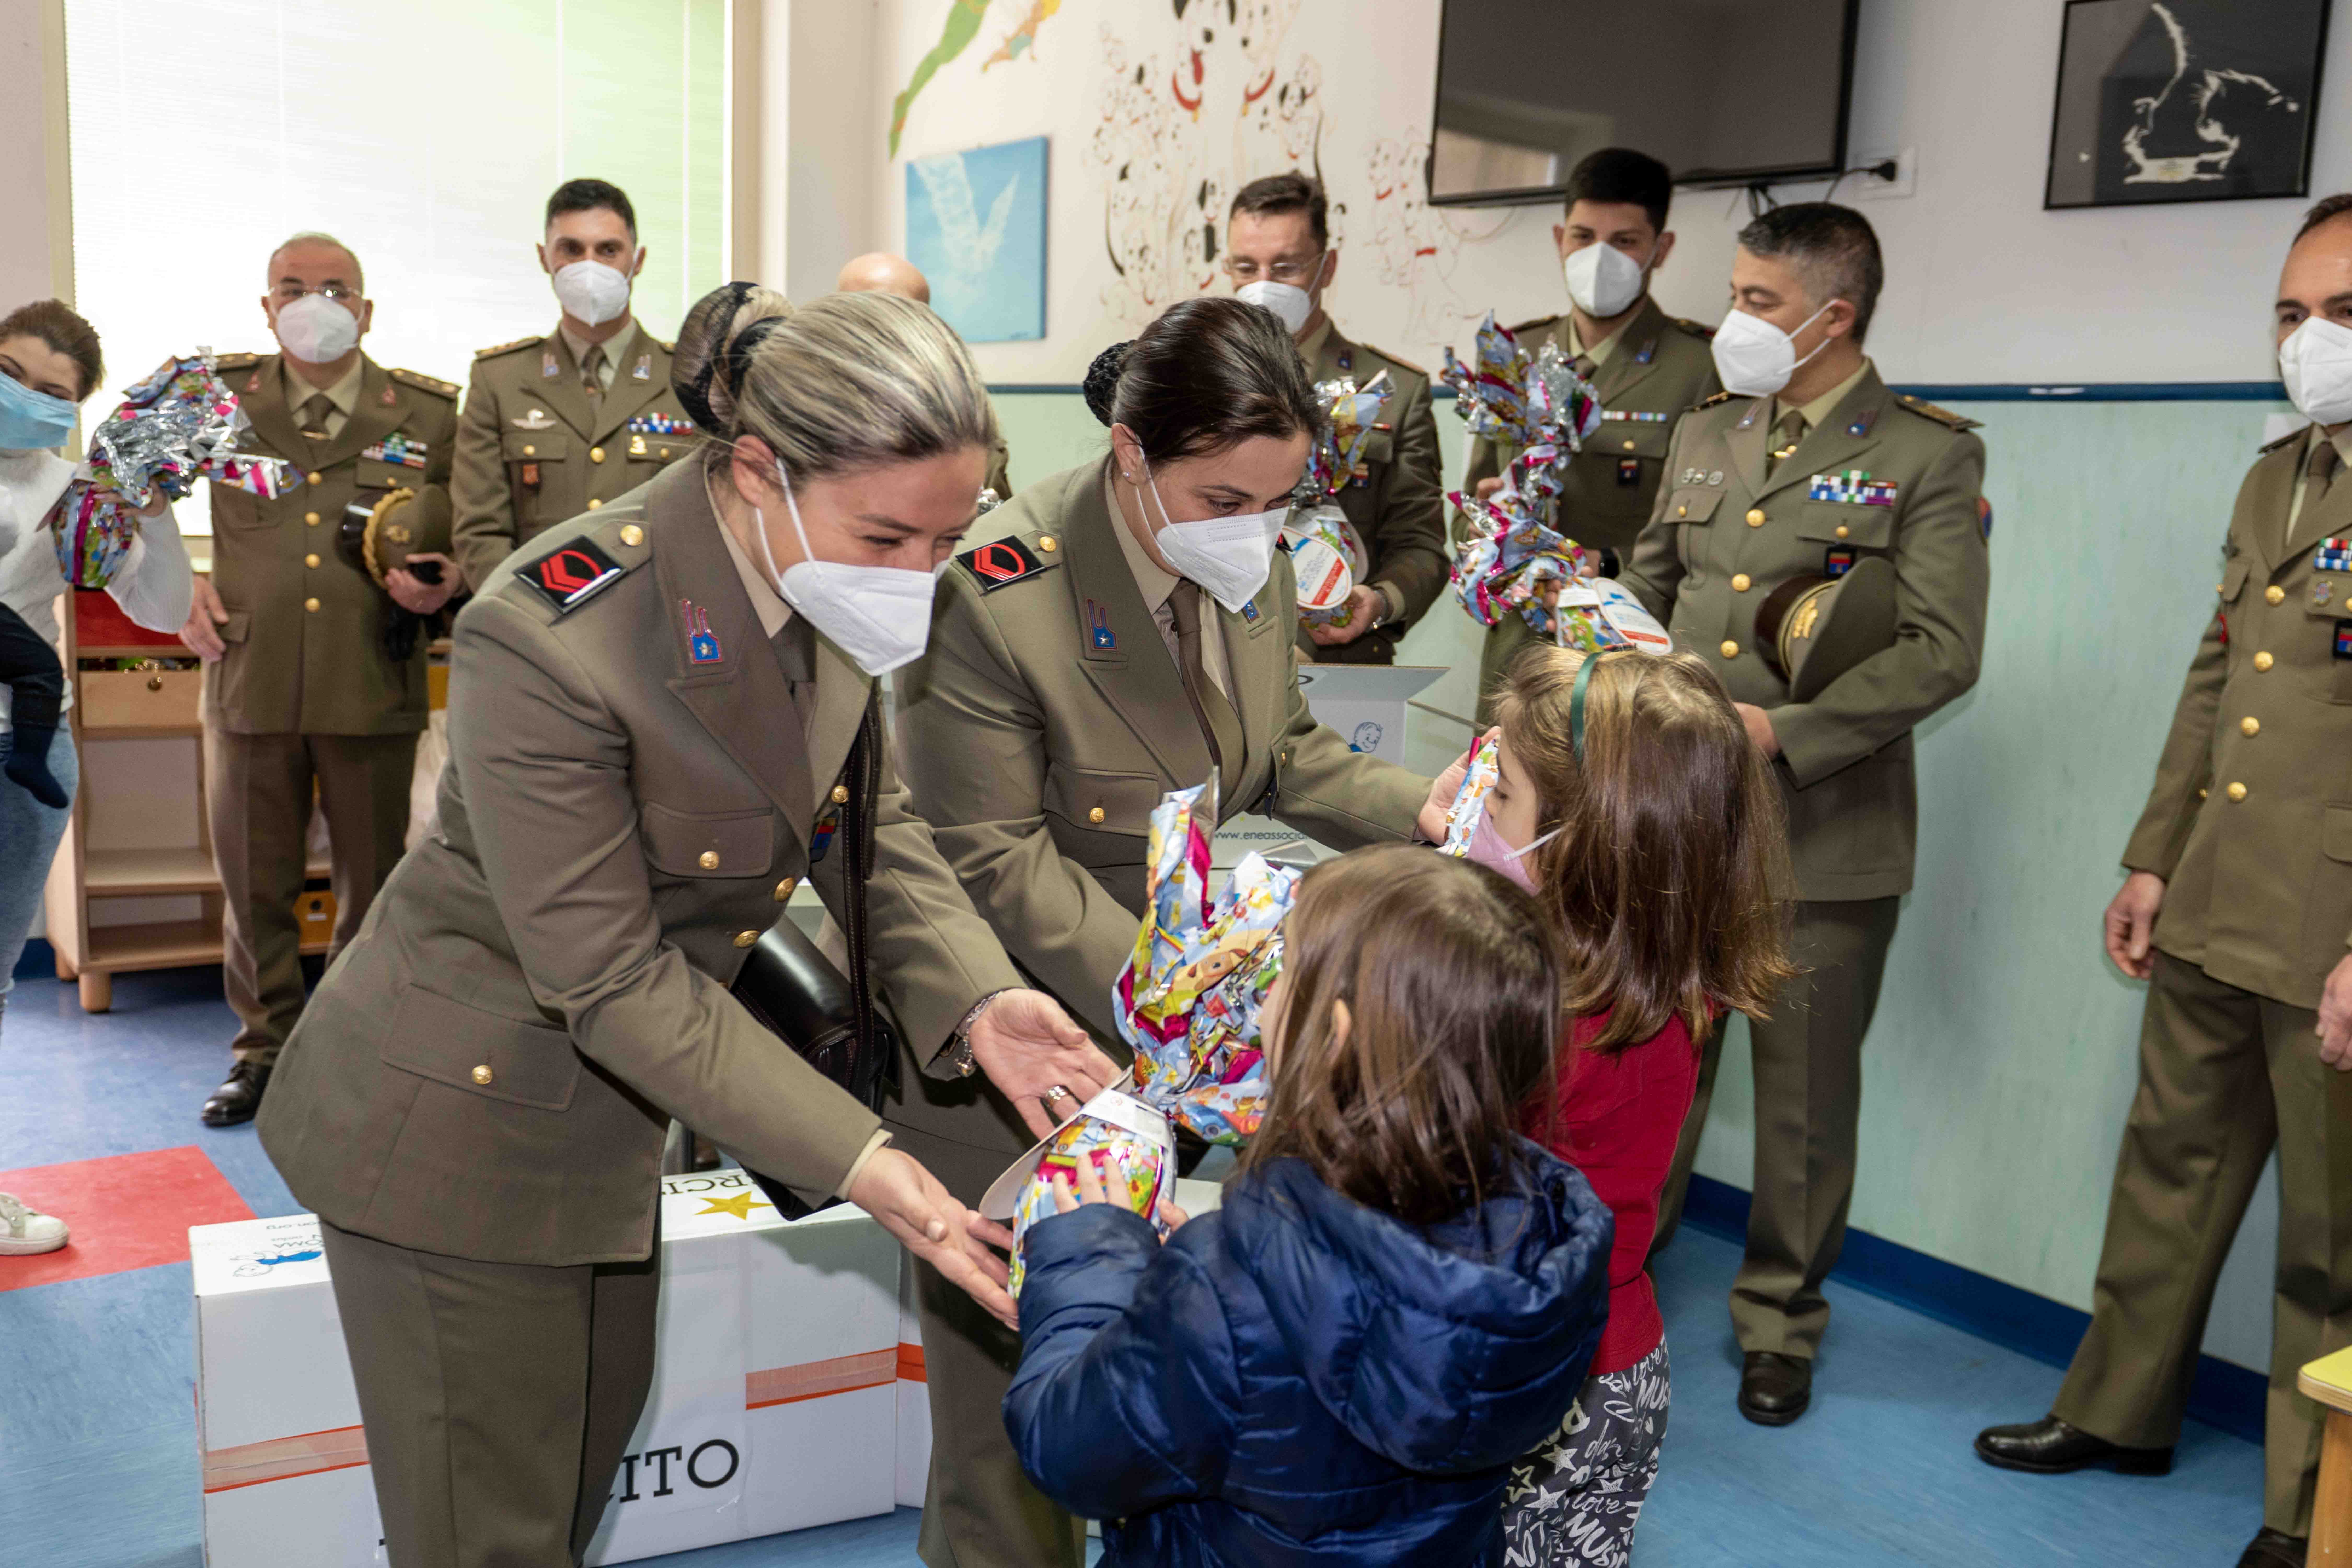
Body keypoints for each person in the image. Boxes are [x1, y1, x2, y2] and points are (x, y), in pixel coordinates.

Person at [254, 284, 1116, 1568]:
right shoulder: (551, 633)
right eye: (888, 538)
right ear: (761, 469)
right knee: (487, 1536)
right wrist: (875, 1165)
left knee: (574, 1485)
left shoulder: (819, 582)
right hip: (455, 1125)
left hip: (605, 1124)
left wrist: (985, 1000)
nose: (919, 582)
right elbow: (606, 976)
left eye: (948, 541)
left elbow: (867, 834)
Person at [893, 295, 1456, 1568]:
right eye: (1223, 500)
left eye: (1280, 501)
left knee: (1167, 1410)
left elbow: (1284, 755)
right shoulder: (998, 590)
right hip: (1017, 1053)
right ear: (1131, 453)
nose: (1255, 532)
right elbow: (989, 855)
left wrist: (1418, 805)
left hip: (1183, 1048)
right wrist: (1195, 986)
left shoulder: (1241, 553)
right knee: (1018, 1442)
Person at [1974, 195, 2352, 1568]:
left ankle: (2315, 1509)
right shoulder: (2281, 473)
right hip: (2214, 899)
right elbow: (2220, 684)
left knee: (2332, 1240)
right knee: (2166, 1177)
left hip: (2333, 930)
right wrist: (2149, 856)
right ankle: (2118, 1410)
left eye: (2343, 314)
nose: (2309, 341)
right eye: (2291, 315)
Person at [1623, 201, 1990, 1425]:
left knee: (1796, 1101)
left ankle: (1778, 1322)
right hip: (1676, 820)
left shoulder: (1927, 453)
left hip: (1820, 832)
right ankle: (1611, 1284)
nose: (1732, 321)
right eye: (1730, 293)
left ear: (1832, 316)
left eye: (1758, 302)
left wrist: (1781, 730)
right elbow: (1650, 588)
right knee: (1645, 1068)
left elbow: (1941, 651)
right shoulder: (1705, 432)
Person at [1006, 844, 1614, 1566]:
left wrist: (1092, 1260)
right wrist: (1234, 1263)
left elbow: (1067, 1451)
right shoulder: (1543, 1239)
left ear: (1336, 1035)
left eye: (1283, 971)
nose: (1260, 998)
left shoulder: (1226, 1290)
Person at [1458, 647, 1793, 1564]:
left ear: (1577, 839)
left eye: (1498, 800)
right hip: (1619, 1370)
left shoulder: (1531, 1024)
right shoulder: (1666, 980)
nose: (1475, 817)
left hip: (1510, 1382)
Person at [179, 232, 461, 1128]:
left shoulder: (428, 413)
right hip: (250, 673)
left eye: (336, 288)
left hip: (371, 674)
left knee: (374, 888)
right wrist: (164, 585)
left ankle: (356, 1050)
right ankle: (262, 1054)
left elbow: (472, 532)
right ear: (266, 306)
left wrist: (447, 584)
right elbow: (119, 490)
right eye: (294, 287)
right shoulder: (215, 398)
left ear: (366, 310)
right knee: (254, 885)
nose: (316, 301)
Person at [0, 299, 193, 1256]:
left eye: (52, 395)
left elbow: (160, 607)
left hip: (21, 751)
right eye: (11, 373)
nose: (25, 400)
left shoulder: (72, 493)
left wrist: (153, 511)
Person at [1458, 148, 1720, 722]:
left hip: (1632, 668)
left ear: (1661, 248)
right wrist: (1491, 540)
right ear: (1559, 238)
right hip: (1519, 661)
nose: (1598, 257)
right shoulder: (1514, 357)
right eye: (1583, 236)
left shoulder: (1702, 369)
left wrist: (1607, 566)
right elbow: (1471, 507)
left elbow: (1710, 545)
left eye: (1624, 241)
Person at [1225, 172, 1445, 664]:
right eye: (1245, 267)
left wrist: (1382, 601)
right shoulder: (1198, 381)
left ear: (1326, 268)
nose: (1262, 285)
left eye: (1285, 268)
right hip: (1214, 656)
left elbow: (1421, 546)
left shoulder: (1393, 392)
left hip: (1340, 662)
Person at [450, 179, 704, 592]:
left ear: (636, 260)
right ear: (544, 258)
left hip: (657, 620)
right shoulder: (500, 380)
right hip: (534, 623)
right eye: (571, 250)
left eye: (608, 250)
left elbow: (708, 524)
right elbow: (480, 533)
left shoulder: (688, 378)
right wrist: (525, 619)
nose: (590, 266)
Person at [836, 250, 1014, 502]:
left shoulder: (964, 415)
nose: (869, 324)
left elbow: (992, 522)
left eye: (892, 309)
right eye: (852, 309)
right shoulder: (796, 395)